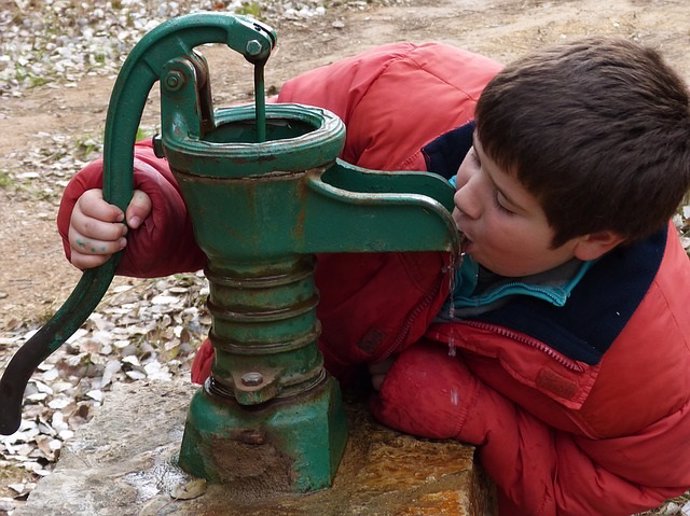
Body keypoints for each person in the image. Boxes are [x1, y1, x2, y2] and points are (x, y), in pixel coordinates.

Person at [56, 38, 690, 516]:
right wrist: (146, 208)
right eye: (475, 157)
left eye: (504, 205)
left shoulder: (647, 356)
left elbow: (634, 483)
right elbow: (245, 164)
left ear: (594, 241)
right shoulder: (391, 97)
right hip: (258, 381)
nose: (464, 197)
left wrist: (478, 415)